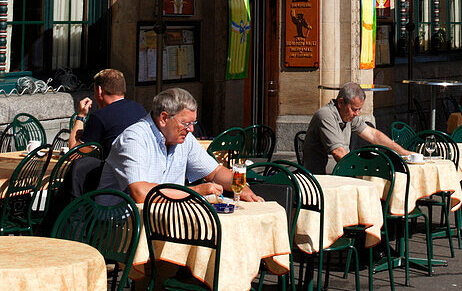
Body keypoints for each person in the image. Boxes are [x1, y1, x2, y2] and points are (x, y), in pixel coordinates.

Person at [99, 87, 262, 203]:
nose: (191, 129)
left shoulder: (184, 138)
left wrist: (241, 187)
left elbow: (215, 172)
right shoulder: (134, 139)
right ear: (163, 118)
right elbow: (140, 193)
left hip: (165, 219)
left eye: (193, 123)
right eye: (185, 123)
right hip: (119, 225)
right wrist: (196, 192)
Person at [301, 82, 415, 175]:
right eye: (355, 109)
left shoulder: (348, 114)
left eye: (359, 109)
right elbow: (338, 153)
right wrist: (361, 171)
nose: (357, 113)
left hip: (340, 169)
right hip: (322, 175)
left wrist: (404, 153)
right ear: (341, 103)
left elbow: (373, 135)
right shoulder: (326, 115)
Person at [69, 68, 146, 156]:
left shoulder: (99, 117)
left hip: (114, 169)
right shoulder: (139, 108)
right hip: (144, 166)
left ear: (99, 90)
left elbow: (74, 154)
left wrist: (81, 116)